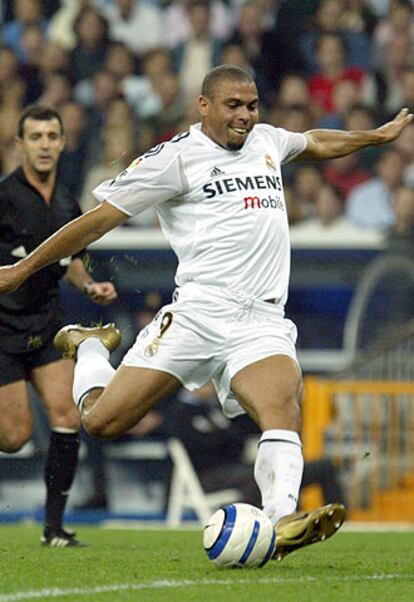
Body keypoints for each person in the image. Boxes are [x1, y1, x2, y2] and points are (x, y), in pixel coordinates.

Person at [0, 65, 412, 560]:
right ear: (204, 106)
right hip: (198, 315)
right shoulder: (174, 159)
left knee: (283, 408)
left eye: (252, 105)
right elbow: (96, 222)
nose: (245, 116)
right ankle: (90, 347)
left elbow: (314, 141)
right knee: (101, 422)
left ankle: (281, 520)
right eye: (233, 106)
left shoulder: (267, 140)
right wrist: (22, 272)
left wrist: (375, 137)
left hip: (260, 320)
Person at [0, 105, 117, 546]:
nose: (45, 145)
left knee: (68, 416)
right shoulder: (3, 198)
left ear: (63, 143)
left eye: (52, 136)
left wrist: (89, 287)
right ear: (20, 144)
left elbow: (69, 263)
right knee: (13, 438)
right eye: (36, 137)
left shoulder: (68, 201)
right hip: (3, 332)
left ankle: (54, 530)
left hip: (47, 327)